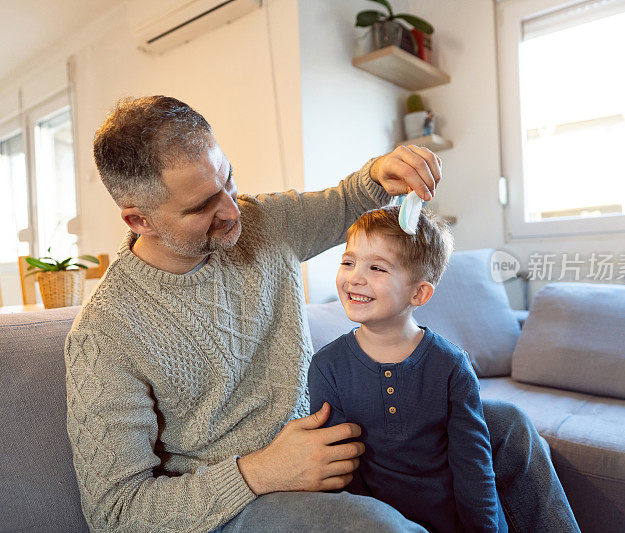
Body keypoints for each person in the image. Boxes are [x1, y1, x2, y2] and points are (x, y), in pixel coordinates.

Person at [64, 95, 580, 533]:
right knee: (379, 527)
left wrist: (384, 171)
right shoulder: (107, 331)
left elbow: (348, 199)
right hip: (244, 501)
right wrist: (261, 471)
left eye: (229, 180)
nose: (232, 210)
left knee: (508, 428)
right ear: (139, 219)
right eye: (202, 206)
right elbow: (116, 511)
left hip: (337, 435)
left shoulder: (267, 222)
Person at [308, 207, 506, 532]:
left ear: (419, 293)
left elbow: (473, 465)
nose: (354, 276)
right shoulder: (327, 365)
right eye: (348, 262)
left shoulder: (451, 365)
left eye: (376, 268)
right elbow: (341, 472)